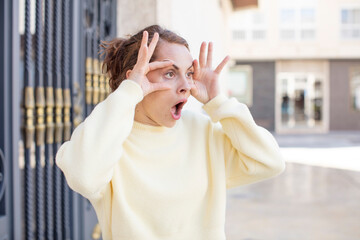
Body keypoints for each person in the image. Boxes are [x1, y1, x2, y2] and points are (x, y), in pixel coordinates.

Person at [56, 25, 285, 240]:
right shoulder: (109, 141)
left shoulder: (203, 133)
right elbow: (83, 177)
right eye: (169, 73)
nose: (186, 85)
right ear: (135, 79)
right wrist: (128, 94)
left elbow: (270, 162)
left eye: (189, 73)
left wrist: (219, 103)